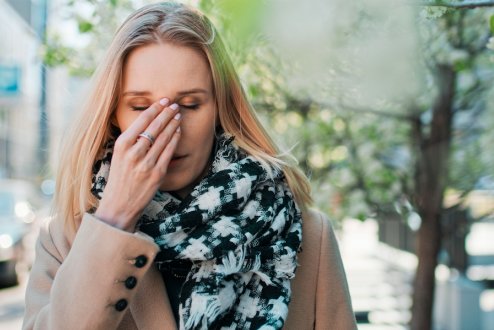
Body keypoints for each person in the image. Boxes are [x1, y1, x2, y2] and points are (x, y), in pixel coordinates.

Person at [22, 2, 357, 330]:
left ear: (220, 110)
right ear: (113, 116)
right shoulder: (64, 239)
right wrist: (114, 220)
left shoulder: (309, 236)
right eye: (141, 108)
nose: (167, 129)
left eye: (189, 104)